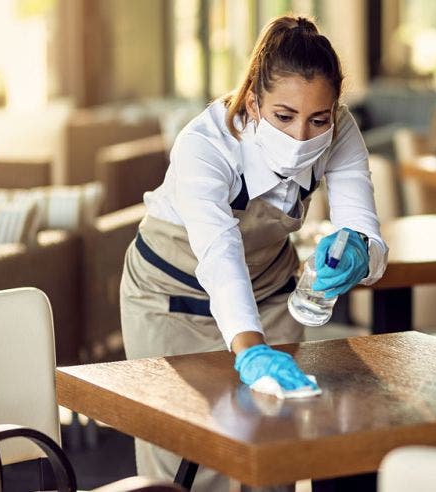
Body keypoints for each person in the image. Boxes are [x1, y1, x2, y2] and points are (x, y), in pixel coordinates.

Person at [119, 16, 388, 490]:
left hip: (269, 289)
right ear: (253, 102)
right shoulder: (204, 146)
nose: (302, 136)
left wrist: (361, 254)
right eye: (284, 116)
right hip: (169, 297)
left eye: (318, 119)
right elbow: (219, 253)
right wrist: (250, 351)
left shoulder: (340, 130)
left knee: (277, 447)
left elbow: (360, 225)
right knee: (191, 457)